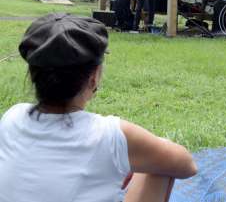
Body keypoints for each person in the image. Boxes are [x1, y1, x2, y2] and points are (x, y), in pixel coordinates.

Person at [0, 14, 197, 202]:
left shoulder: (12, 117)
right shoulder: (111, 135)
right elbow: (186, 165)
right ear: (93, 77)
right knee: (160, 163)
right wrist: (140, 157)